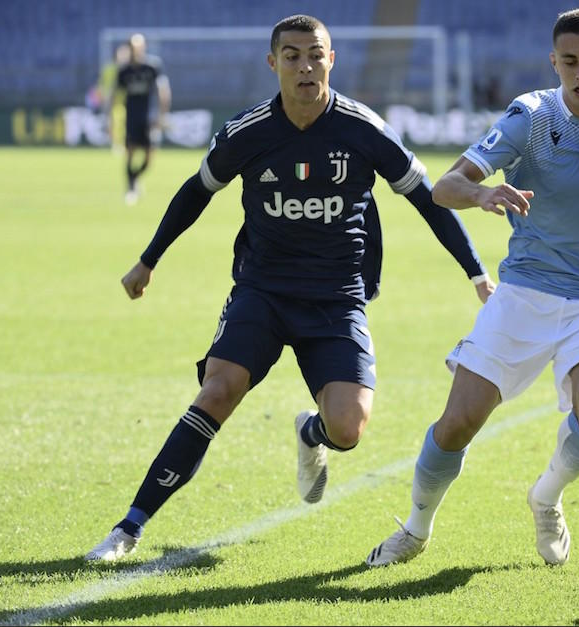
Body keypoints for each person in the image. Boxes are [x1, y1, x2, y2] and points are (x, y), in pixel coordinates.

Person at [85, 14, 494, 563]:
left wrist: (475, 272)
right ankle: (129, 528)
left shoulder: (364, 129)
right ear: (273, 62)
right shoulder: (248, 132)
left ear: (332, 60)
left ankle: (312, 436)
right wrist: (148, 260)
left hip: (335, 298)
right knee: (218, 390)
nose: (306, 65)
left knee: (347, 428)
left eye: (316, 54)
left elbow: (428, 199)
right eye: (294, 55)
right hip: (263, 290)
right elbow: (195, 190)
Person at [365, 8, 579, 568]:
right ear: (555, 62)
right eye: (570, 62)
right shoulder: (531, 117)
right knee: (457, 423)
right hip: (525, 291)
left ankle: (546, 496)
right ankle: (416, 530)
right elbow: (446, 187)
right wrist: (483, 195)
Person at [116, 33, 172, 205]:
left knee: (149, 156)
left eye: (138, 47)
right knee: (131, 152)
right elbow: (115, 95)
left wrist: (162, 115)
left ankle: (135, 177)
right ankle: (131, 186)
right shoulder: (124, 71)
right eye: (133, 47)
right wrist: (110, 119)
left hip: (149, 117)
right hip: (132, 116)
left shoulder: (152, 67)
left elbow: (163, 91)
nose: (136, 51)